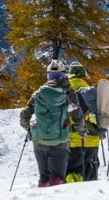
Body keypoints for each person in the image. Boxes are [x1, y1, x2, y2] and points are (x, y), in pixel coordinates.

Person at [19, 59, 78, 187]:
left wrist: (30, 130)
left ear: (48, 76)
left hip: (39, 141)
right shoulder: (68, 94)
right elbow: (78, 115)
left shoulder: (39, 93)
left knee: (44, 178)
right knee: (57, 179)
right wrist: (82, 132)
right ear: (64, 75)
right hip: (60, 141)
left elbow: (24, 115)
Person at [66, 61, 108, 182]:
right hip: (92, 139)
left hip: (71, 139)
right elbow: (105, 114)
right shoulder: (93, 92)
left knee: (72, 174)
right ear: (85, 75)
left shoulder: (63, 91)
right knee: (90, 177)